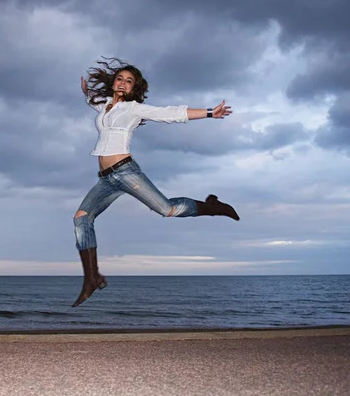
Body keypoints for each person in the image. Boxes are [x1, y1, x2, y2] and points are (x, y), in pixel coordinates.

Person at [72, 57, 240, 308]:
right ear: (114, 82)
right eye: (120, 78)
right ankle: (92, 278)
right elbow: (92, 101)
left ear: (134, 88)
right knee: (81, 218)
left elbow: (169, 114)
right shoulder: (104, 105)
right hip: (106, 180)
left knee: (167, 209)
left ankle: (213, 206)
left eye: (129, 81)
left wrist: (208, 113)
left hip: (126, 172)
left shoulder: (134, 108)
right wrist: (87, 92)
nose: (123, 83)